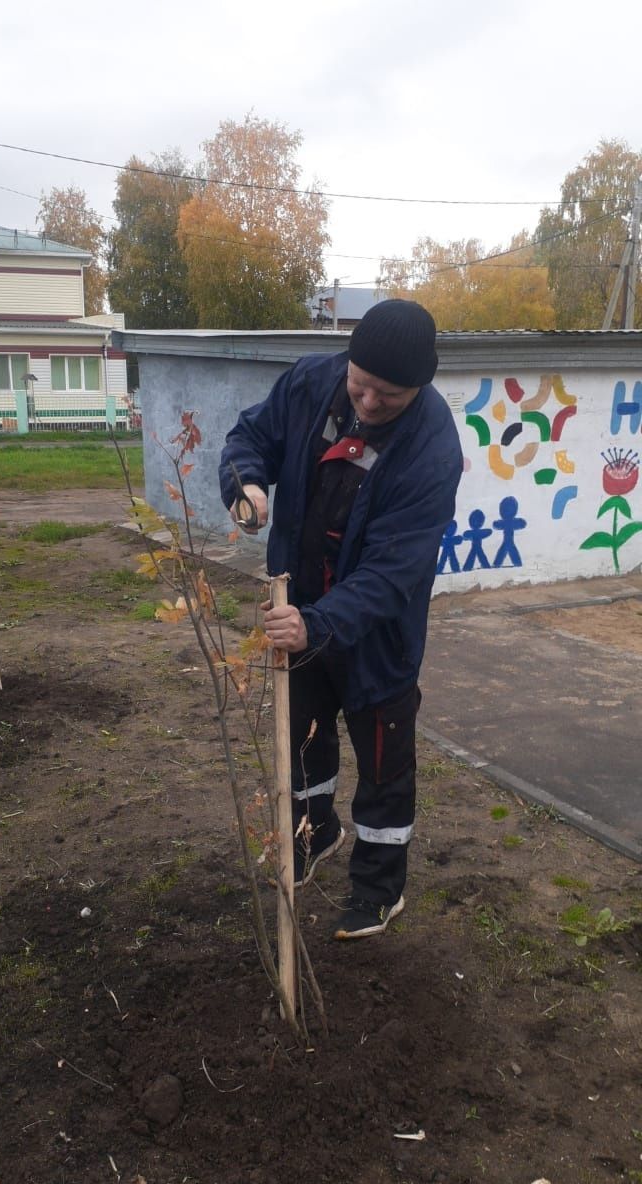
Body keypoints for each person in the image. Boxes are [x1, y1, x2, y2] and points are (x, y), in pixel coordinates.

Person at [219, 300, 463, 940]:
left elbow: (394, 570)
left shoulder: (433, 447)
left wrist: (321, 624)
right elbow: (251, 437)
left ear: (421, 387)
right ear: (347, 363)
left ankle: (379, 889)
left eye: (390, 394)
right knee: (302, 742)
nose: (370, 403)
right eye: (361, 385)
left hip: (374, 636)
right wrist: (244, 485)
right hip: (297, 611)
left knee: (383, 765)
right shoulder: (309, 382)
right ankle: (312, 834)